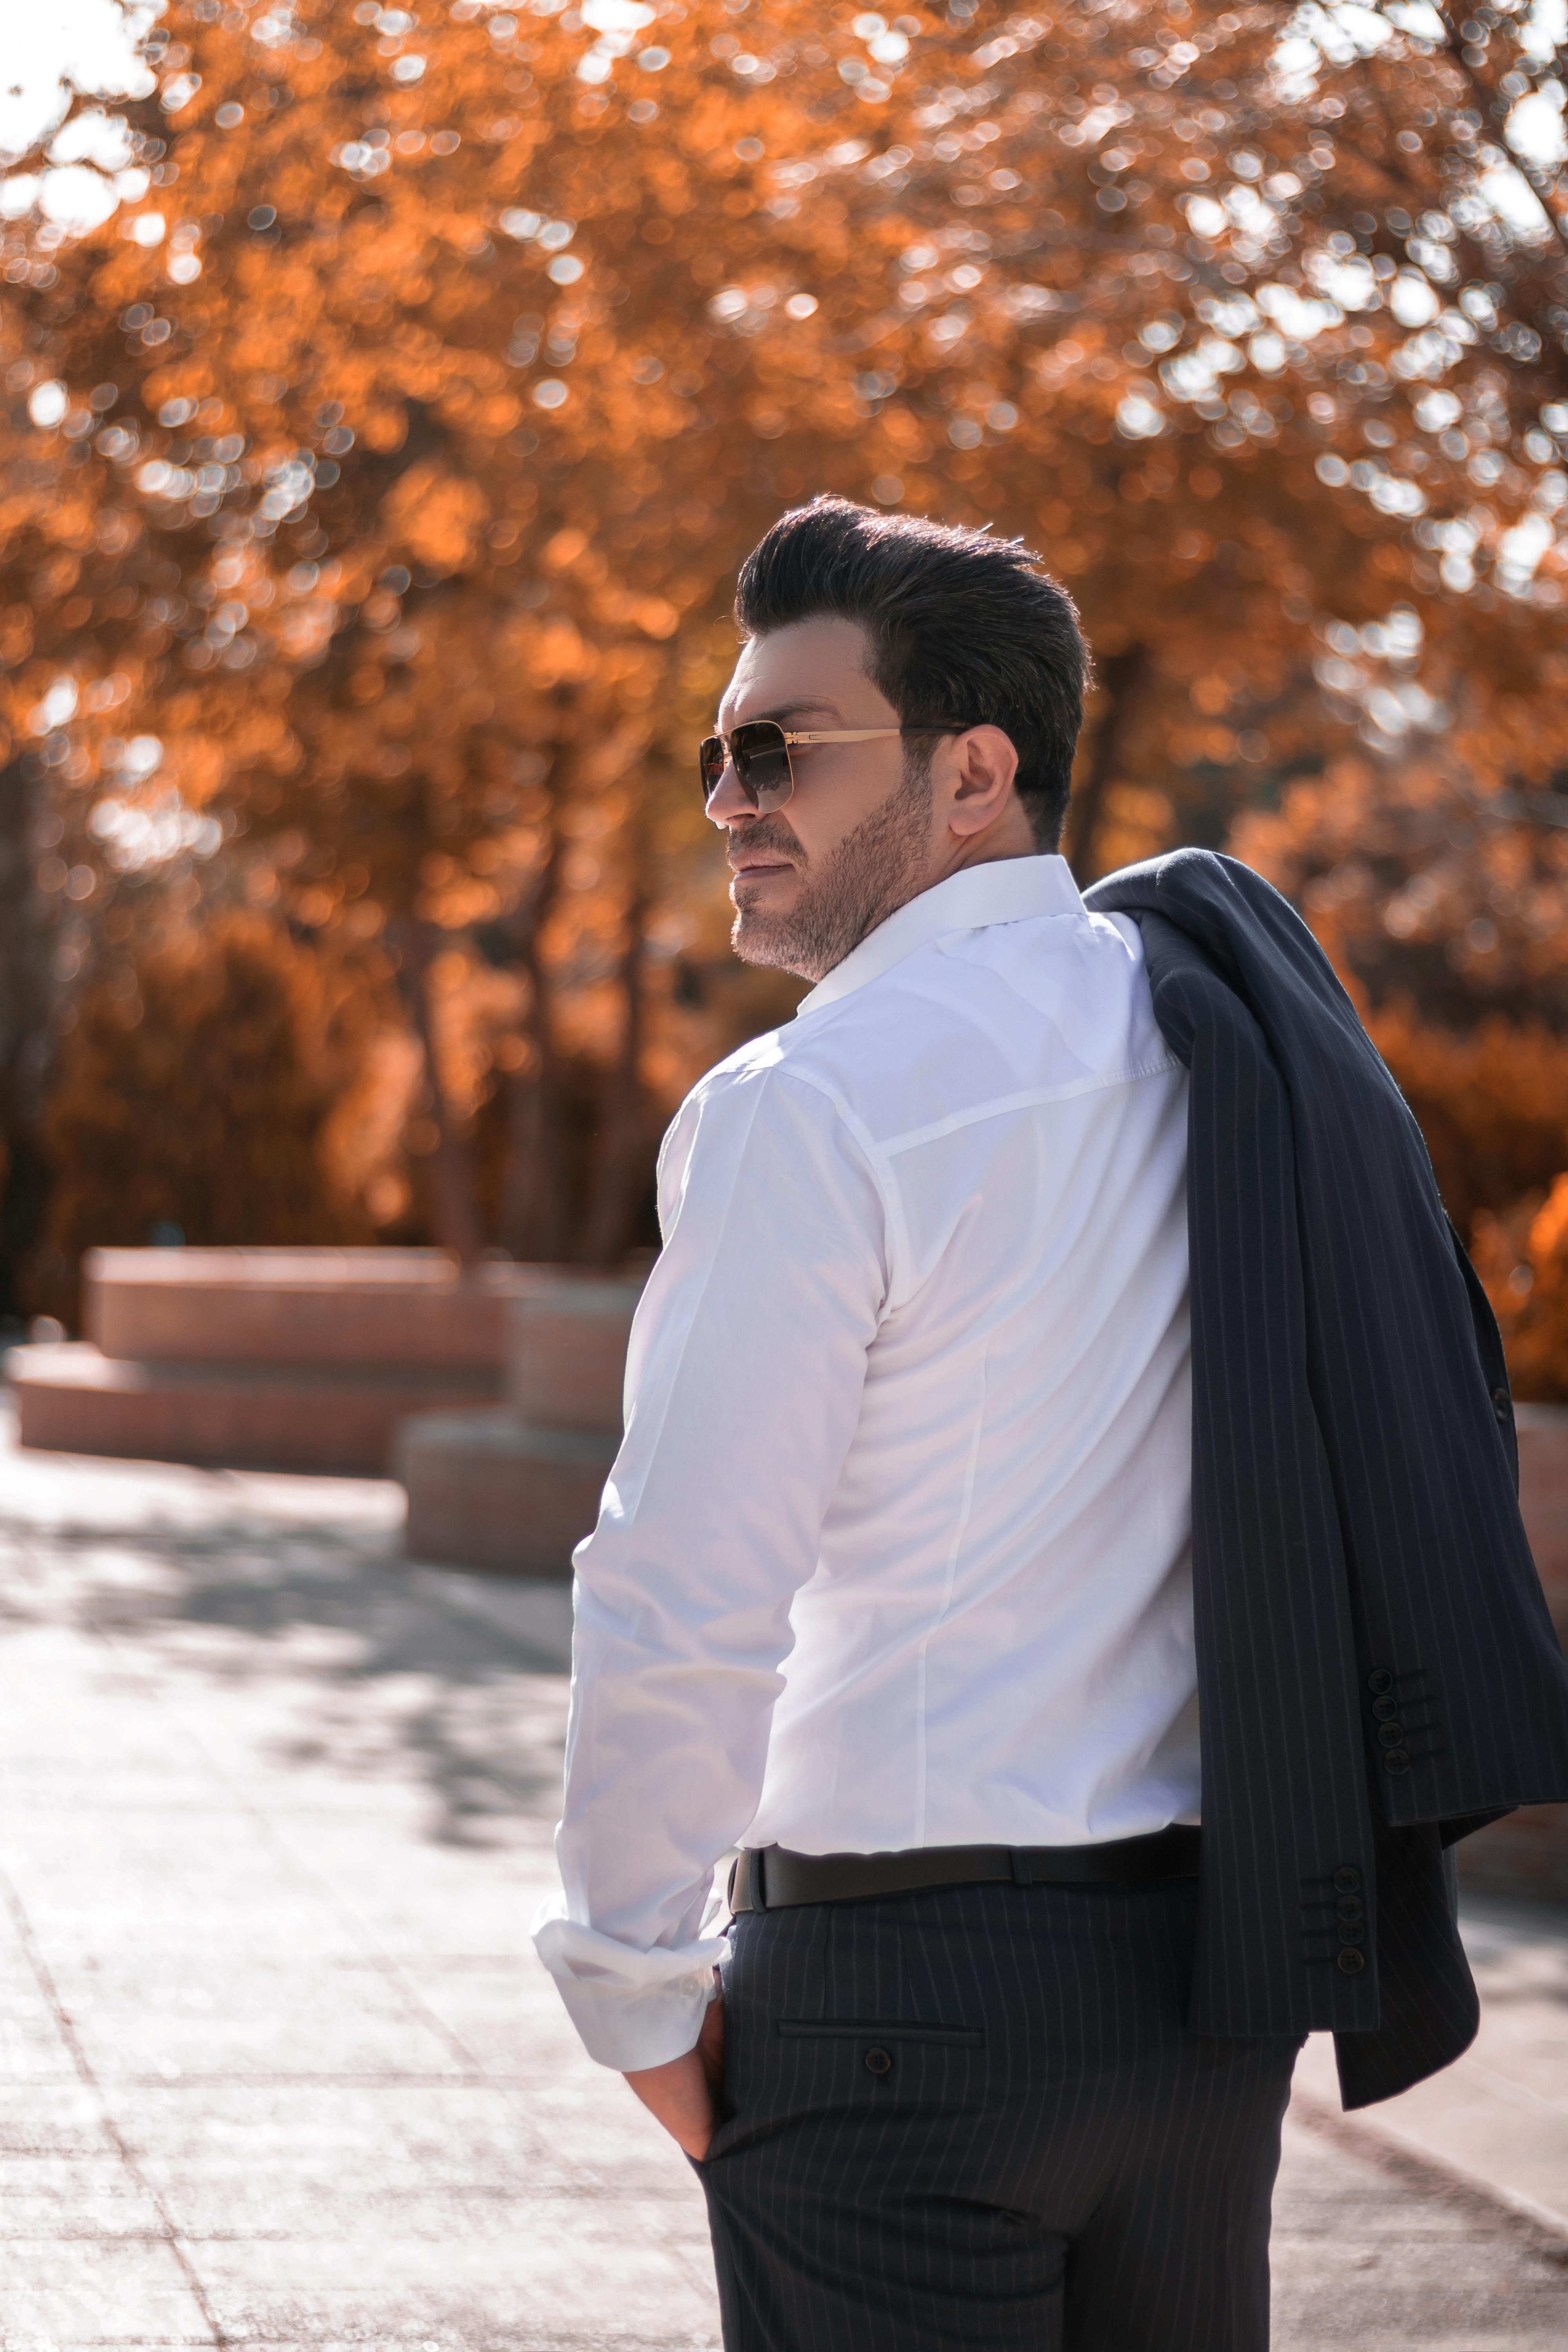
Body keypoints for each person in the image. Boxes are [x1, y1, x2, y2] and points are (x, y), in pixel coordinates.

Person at [532, 497, 1568, 2350]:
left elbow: (685, 1583)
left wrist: (631, 1977)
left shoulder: (807, 1107)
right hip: (1197, 2000)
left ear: (974, 773)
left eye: (778, 748)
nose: (727, 800)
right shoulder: (1217, 1038)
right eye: (717, 753)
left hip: (891, 2009)